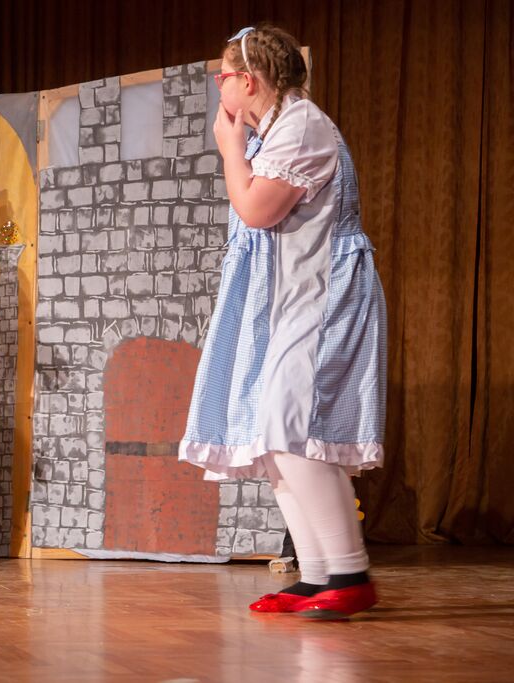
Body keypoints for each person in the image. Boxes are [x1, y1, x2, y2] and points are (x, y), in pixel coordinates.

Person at [178, 25, 386, 619]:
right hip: (295, 296)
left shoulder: (302, 125)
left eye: (223, 75)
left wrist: (230, 148)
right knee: (275, 435)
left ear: (249, 81)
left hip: (324, 293)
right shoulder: (277, 130)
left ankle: (349, 571)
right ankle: (318, 574)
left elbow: (256, 209)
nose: (218, 84)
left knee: (292, 430)